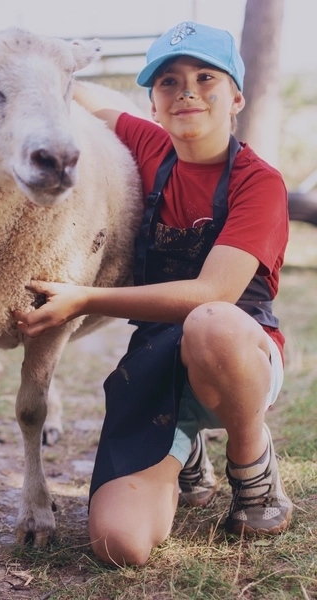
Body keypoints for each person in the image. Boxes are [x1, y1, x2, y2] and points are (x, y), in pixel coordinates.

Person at [14, 21, 292, 566]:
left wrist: (84, 298)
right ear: (154, 104)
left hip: (237, 355)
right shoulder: (145, 145)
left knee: (211, 321)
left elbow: (212, 292)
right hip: (157, 358)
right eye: (169, 82)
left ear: (236, 97)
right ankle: (184, 454)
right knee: (118, 545)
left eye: (205, 78)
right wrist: (39, 67)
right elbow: (88, 99)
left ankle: (251, 464)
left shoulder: (258, 181)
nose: (187, 91)